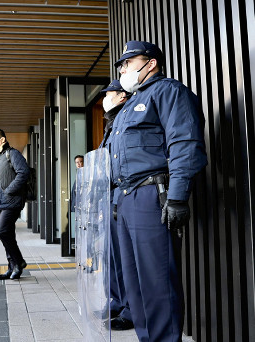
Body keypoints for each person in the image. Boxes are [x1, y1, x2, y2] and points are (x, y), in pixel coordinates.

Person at [110, 41, 207, 341]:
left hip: (151, 196)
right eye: (121, 65)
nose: (123, 69)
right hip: (125, 199)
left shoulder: (168, 92)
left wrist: (177, 196)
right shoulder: (130, 103)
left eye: (128, 62)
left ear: (150, 63)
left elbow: (184, 143)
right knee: (135, 283)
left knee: (156, 282)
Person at [97, 80, 133, 330]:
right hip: (109, 197)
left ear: (121, 96)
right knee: (111, 256)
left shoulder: (126, 121)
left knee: (126, 257)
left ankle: (130, 309)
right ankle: (117, 300)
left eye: (108, 94)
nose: (104, 99)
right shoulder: (112, 124)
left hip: (124, 195)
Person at [0, 129, 29, 280]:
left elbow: (23, 172)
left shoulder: (12, 154)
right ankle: (12, 267)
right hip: (2, 202)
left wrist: (9, 191)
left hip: (12, 201)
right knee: (8, 234)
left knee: (2, 232)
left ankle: (19, 262)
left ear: (2, 140)